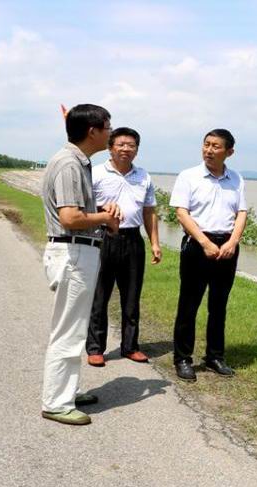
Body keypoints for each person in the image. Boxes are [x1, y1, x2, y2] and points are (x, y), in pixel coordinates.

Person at [40, 104, 122, 425]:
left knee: (74, 328)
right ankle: (56, 403)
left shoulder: (77, 161)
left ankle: (67, 392)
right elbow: (70, 218)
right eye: (108, 128)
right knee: (69, 331)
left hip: (78, 250)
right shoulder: (69, 164)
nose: (110, 133)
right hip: (73, 251)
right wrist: (105, 217)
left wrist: (100, 213)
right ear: (93, 131)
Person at [169, 129, 247, 382]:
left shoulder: (236, 179)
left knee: (219, 304)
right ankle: (183, 358)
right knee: (189, 304)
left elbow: (242, 213)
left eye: (215, 146)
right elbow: (181, 212)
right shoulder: (188, 176)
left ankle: (215, 356)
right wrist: (204, 242)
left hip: (227, 247)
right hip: (197, 244)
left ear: (229, 152)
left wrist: (233, 241)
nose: (209, 150)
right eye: (206, 144)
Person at [86, 127, 161, 367]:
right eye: (121, 144)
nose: (126, 149)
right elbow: (83, 206)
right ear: (110, 148)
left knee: (132, 296)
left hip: (132, 239)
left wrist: (155, 243)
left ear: (137, 150)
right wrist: (102, 210)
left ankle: (130, 346)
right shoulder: (95, 173)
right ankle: (95, 348)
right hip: (102, 237)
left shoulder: (144, 176)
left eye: (131, 145)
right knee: (100, 295)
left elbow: (149, 212)